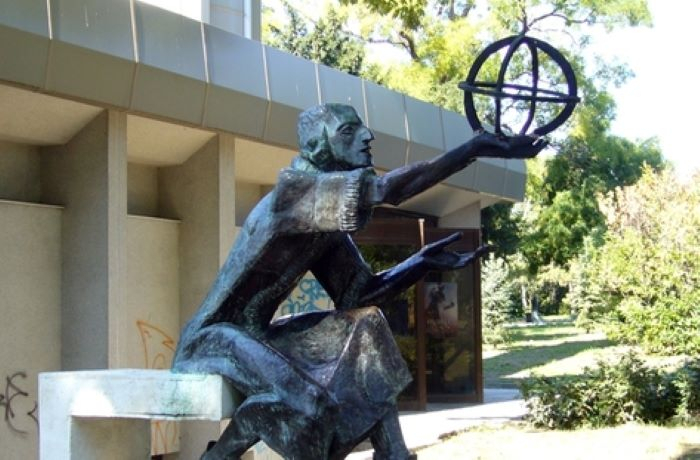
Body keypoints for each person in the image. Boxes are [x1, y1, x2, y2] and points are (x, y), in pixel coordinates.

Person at [173, 103, 545, 459]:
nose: (367, 136)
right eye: (349, 131)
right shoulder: (294, 194)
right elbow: (386, 191)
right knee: (310, 402)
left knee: (368, 327)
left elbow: (360, 294)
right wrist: (473, 149)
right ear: (319, 147)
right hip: (211, 339)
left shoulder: (322, 222)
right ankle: (221, 454)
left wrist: (420, 262)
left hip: (258, 335)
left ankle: (393, 453)